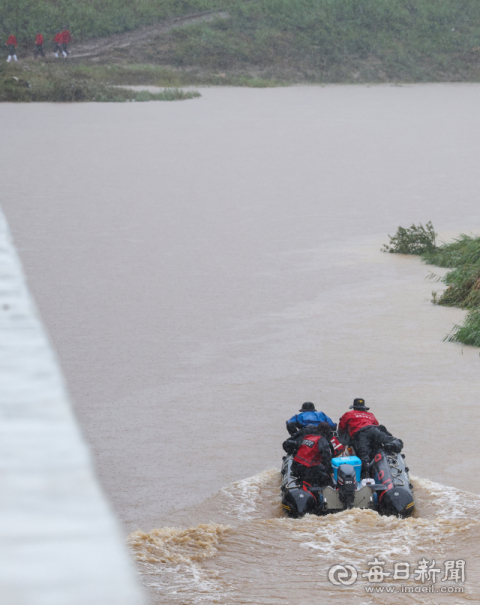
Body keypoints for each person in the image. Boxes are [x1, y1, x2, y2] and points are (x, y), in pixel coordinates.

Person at [338, 398, 403, 477]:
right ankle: (393, 447)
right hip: (374, 430)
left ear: (354, 407)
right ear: (364, 408)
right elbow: (376, 424)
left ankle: (366, 476)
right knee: (388, 440)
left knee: (364, 456)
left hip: (361, 433)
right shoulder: (370, 415)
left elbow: (341, 427)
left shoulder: (348, 414)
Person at [290, 422, 333, 487]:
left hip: (295, 467)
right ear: (326, 431)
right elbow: (326, 458)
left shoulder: (308, 436)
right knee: (328, 480)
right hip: (307, 469)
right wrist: (330, 472)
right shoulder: (322, 440)